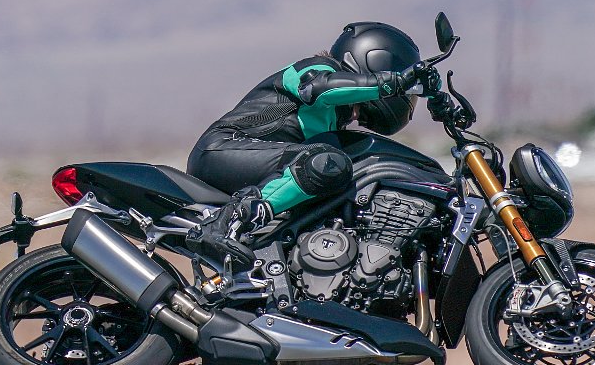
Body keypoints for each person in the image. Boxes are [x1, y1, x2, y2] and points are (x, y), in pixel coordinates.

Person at [185, 21, 441, 269]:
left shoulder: (333, 120)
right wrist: (392, 83)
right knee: (327, 163)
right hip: (224, 149)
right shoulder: (315, 68)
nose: (355, 117)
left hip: (258, 161)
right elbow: (317, 88)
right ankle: (224, 225)